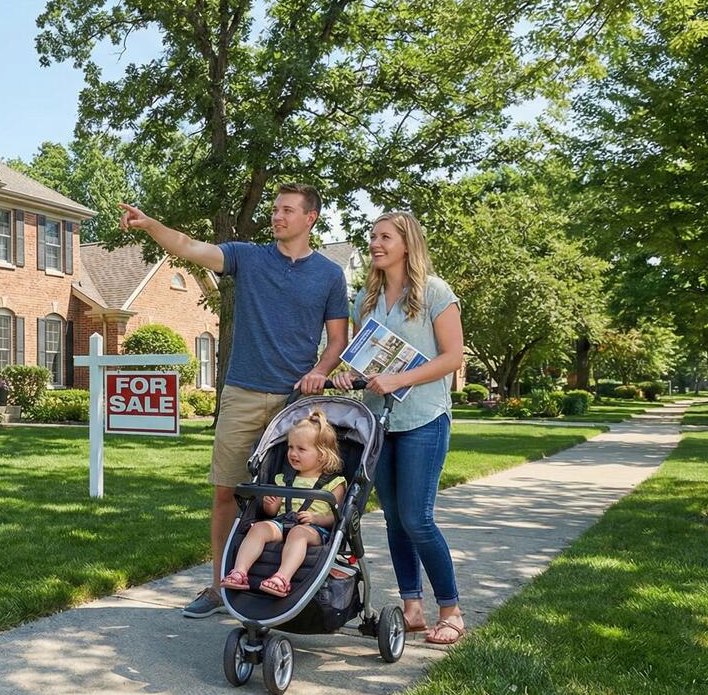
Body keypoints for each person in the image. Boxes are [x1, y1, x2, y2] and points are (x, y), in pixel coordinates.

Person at [119, 184, 349, 618]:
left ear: (310, 218)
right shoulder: (248, 257)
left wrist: (320, 371)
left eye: (287, 210)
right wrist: (150, 225)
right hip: (242, 391)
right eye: (274, 209)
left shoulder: (329, 276)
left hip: (294, 402)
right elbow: (189, 247)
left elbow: (338, 339)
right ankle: (218, 587)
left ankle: (298, 579)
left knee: (299, 494)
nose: (277, 216)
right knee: (227, 490)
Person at [332, 211, 467, 645]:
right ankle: (411, 607)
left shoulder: (434, 292)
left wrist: (400, 379)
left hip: (423, 418)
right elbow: (361, 358)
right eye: (372, 237)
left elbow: (453, 358)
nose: (375, 243)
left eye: (385, 237)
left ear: (407, 244)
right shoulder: (364, 300)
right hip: (378, 422)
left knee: (416, 518)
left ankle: (451, 610)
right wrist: (342, 373)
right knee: (393, 518)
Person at [219, 410, 346, 597]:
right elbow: (271, 512)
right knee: (259, 528)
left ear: (322, 455)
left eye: (301, 449)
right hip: (283, 522)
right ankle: (239, 572)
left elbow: (337, 517)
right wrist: (270, 506)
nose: (293, 453)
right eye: (290, 447)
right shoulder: (283, 479)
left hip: (314, 530)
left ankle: (281, 578)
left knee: (298, 533)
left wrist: (317, 518)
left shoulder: (334, 484)